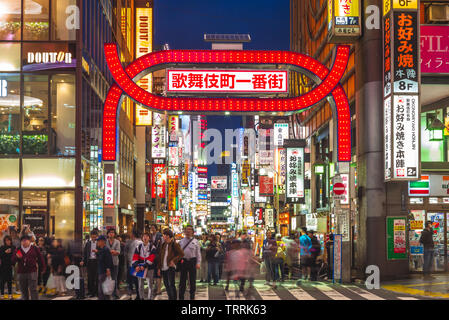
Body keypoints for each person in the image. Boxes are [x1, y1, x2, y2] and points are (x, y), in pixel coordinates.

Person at [11, 235, 45, 300]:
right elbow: (12, 261)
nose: (24, 242)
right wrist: (16, 257)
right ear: (21, 242)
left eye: (26, 240)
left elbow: (41, 258)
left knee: (33, 290)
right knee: (23, 290)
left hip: (32, 271)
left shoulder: (34, 248)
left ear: (29, 241)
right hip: (21, 272)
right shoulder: (18, 249)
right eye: (23, 241)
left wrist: (43, 268)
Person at [157, 229, 184, 300]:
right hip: (163, 267)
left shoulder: (174, 244)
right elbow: (160, 256)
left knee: (171, 284)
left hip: (170, 267)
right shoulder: (163, 244)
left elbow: (181, 254)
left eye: (164, 235)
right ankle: (170, 298)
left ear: (168, 236)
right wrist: (159, 268)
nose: (163, 236)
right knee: (166, 285)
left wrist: (173, 260)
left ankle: (174, 298)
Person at [132, 232, 158, 300]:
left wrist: (144, 265)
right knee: (140, 285)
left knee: (150, 285)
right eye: (144, 236)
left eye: (147, 236)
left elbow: (152, 258)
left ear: (149, 238)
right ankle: (141, 298)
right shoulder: (139, 247)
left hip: (149, 268)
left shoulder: (152, 247)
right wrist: (136, 266)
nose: (145, 237)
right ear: (142, 238)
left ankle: (150, 298)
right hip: (140, 268)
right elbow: (135, 257)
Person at [178, 225, 201, 300]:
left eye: (190, 230)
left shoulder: (196, 242)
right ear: (184, 232)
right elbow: (178, 253)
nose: (188, 231)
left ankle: (192, 297)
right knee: (182, 280)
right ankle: (181, 297)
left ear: (192, 232)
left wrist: (198, 263)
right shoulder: (181, 242)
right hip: (183, 261)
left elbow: (198, 253)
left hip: (192, 261)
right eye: (186, 230)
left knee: (192, 281)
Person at [80, 229, 99, 297]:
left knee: (96, 277)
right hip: (90, 261)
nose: (93, 238)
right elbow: (85, 253)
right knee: (90, 277)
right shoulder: (88, 243)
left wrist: (97, 252)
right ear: (91, 236)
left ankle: (96, 292)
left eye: (95, 237)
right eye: (92, 237)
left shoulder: (99, 243)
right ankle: (91, 291)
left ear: (97, 236)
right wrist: (83, 260)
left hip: (97, 261)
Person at [124, 231, 141, 299]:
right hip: (136, 263)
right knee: (136, 280)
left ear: (133, 235)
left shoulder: (134, 242)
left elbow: (129, 253)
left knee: (135, 280)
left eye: (131, 234)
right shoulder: (139, 242)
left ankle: (138, 295)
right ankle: (138, 294)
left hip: (133, 264)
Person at [96, 235, 113, 300]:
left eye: (99, 241)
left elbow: (108, 260)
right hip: (101, 270)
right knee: (102, 288)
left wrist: (108, 269)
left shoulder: (106, 249)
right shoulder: (101, 249)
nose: (97, 242)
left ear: (102, 241)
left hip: (104, 271)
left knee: (103, 289)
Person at [105, 228, 121, 299]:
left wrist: (110, 252)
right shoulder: (105, 242)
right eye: (110, 232)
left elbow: (118, 252)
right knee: (107, 278)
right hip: (106, 263)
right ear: (107, 234)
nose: (111, 234)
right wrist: (112, 252)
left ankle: (115, 294)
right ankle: (107, 294)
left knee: (114, 278)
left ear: (114, 234)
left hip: (115, 263)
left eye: (112, 232)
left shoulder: (117, 242)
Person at [149, 224, 163, 296]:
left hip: (158, 256)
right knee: (154, 272)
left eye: (153, 228)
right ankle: (156, 288)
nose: (152, 229)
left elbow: (161, 246)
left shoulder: (160, 236)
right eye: (151, 228)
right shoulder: (151, 236)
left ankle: (159, 289)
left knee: (158, 272)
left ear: (156, 229)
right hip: (152, 256)